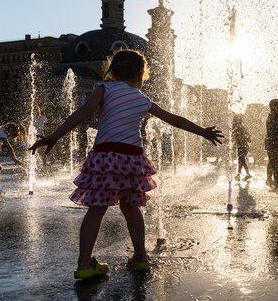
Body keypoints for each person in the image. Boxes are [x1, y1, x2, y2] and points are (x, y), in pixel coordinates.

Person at [29, 50, 223, 279]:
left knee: (96, 209)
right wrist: (202, 132)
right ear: (141, 74)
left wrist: (54, 136)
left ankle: (84, 264)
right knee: (131, 208)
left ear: (113, 72)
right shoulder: (143, 99)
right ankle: (140, 257)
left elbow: (83, 113)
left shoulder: (104, 89)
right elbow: (174, 119)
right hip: (132, 158)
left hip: (105, 156)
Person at [265, 98, 278, 188]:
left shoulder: (275, 117)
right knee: (274, 161)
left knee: (273, 161)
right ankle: (271, 180)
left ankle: (272, 179)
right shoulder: (272, 117)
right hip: (273, 142)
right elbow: (270, 131)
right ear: (273, 107)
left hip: (273, 142)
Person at [232, 115, 252, 181]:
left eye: (235, 121)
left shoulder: (239, 128)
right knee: (241, 160)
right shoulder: (240, 128)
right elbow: (248, 136)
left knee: (241, 160)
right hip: (243, 147)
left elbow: (237, 138)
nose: (233, 122)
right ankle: (245, 174)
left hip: (242, 147)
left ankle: (240, 175)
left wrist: (244, 140)